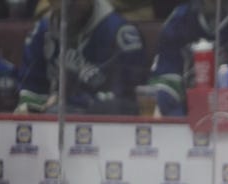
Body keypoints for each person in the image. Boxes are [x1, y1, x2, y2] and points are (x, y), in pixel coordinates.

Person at [16, 0, 148, 115]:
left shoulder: (120, 34)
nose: (68, 3)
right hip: (51, 129)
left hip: (108, 132)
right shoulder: (42, 31)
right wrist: (32, 108)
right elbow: (30, 89)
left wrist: (71, 102)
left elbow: (128, 103)